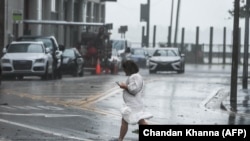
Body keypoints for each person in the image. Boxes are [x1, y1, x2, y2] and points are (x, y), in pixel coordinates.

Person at [114, 60, 153, 141]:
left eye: (125, 69)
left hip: (133, 105)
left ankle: (120, 139)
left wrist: (125, 86)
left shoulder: (134, 77)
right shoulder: (136, 76)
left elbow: (134, 89)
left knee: (125, 121)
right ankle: (120, 139)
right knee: (140, 121)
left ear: (128, 68)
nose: (124, 71)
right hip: (135, 104)